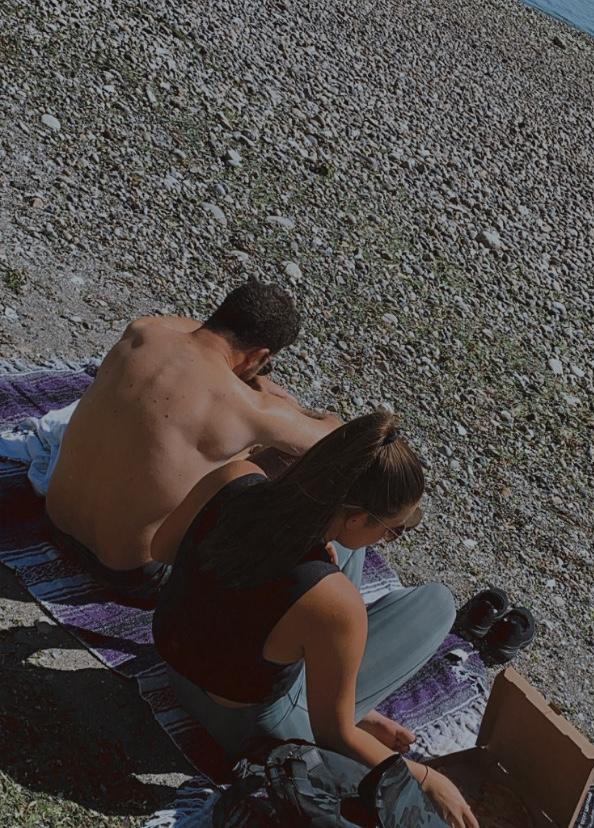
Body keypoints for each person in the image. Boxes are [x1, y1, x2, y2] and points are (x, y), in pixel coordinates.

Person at [151, 412, 479, 828]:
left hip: (177, 667)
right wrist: (429, 780)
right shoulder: (331, 601)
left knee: (345, 558)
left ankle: (332, 683)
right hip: (246, 726)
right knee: (438, 604)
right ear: (357, 517)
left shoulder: (236, 477)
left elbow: (162, 549)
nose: (391, 538)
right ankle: (336, 690)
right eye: (394, 529)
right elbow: (334, 735)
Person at [45, 279, 341, 605]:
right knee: (277, 458)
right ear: (259, 356)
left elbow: (194, 332)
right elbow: (340, 439)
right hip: (131, 574)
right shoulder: (245, 406)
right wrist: (284, 402)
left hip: (55, 525)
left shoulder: (142, 332)